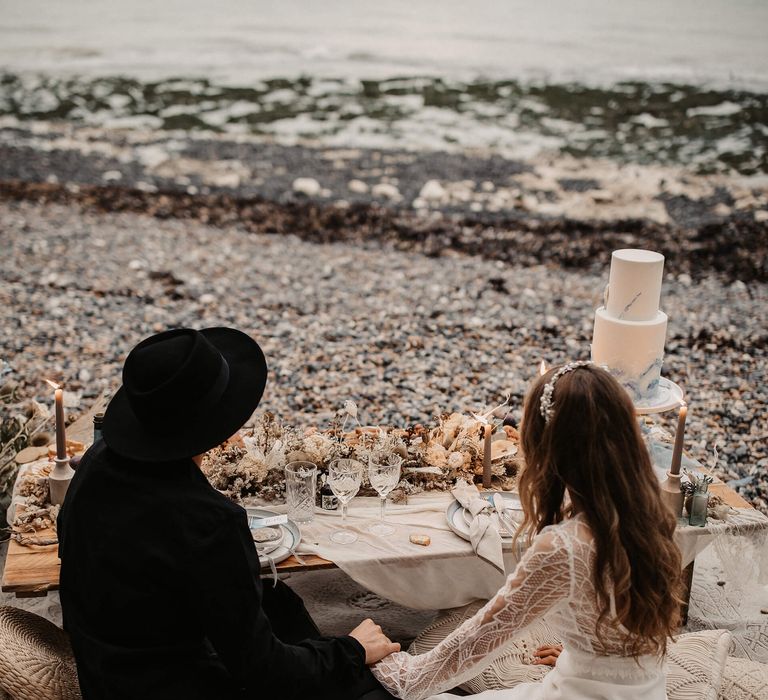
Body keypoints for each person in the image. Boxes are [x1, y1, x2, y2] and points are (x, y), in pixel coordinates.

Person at [58, 327, 399, 700]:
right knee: (374, 689)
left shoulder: (96, 461)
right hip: (175, 686)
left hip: (107, 664)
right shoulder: (208, 522)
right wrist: (353, 649)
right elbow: (264, 672)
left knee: (279, 599)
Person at [372, 361, 684, 699]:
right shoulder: (649, 512)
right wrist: (590, 658)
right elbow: (622, 616)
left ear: (546, 449)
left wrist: (392, 669)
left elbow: (481, 638)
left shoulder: (563, 547)